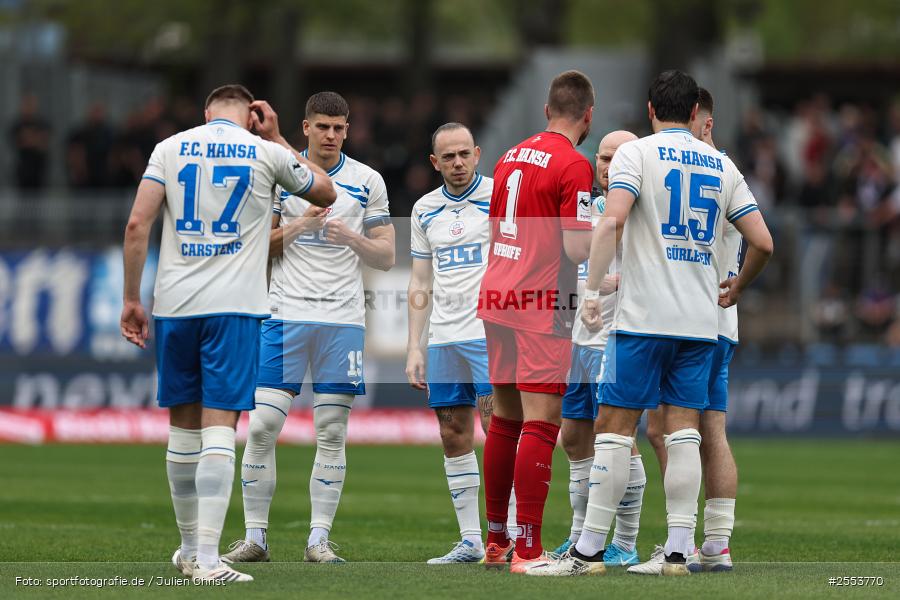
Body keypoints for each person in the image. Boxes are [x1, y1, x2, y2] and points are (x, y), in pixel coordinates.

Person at [532, 70, 772, 577]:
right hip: (701, 323)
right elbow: (765, 242)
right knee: (685, 432)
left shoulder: (636, 154)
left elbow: (613, 220)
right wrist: (738, 286)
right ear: (694, 114)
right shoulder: (724, 166)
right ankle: (681, 551)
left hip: (640, 320)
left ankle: (588, 551)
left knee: (615, 430)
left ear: (649, 111)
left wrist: (592, 291)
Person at [120, 84, 335, 583]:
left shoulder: (169, 148)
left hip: (174, 305)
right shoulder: (264, 151)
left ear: (206, 113)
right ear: (251, 116)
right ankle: (210, 561)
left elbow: (136, 225)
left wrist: (132, 299)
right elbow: (326, 191)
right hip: (234, 308)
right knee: (220, 430)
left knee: (182, 429)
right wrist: (280, 136)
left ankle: (189, 549)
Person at [223, 91, 395, 565]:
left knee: (332, 429)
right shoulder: (281, 174)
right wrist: (297, 228)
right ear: (305, 127)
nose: (332, 136)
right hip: (284, 314)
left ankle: (318, 540)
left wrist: (352, 238)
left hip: (342, 320)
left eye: (340, 128)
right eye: (323, 127)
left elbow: (386, 256)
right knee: (262, 426)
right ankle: (255, 537)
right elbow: (255, 246)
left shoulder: (367, 181)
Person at [476, 70, 595, 574]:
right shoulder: (574, 164)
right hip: (542, 301)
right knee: (542, 423)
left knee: (505, 419)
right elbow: (577, 248)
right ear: (588, 115)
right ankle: (528, 550)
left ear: (547, 111)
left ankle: (497, 540)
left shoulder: (509, 156)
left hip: (498, 290)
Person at [629, 87, 743, 575]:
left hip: (692, 317)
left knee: (669, 429)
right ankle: (713, 544)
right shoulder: (726, 173)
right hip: (718, 320)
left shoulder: (703, 167)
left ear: (704, 121)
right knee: (705, 429)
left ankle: (683, 541)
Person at [407, 122, 516, 564]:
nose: (457, 163)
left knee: (499, 431)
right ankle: (472, 540)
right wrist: (415, 345)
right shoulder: (423, 210)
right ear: (435, 162)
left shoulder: (500, 197)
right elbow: (420, 279)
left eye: (464, 154)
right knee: (453, 433)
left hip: (491, 334)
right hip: (445, 339)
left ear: (478, 153)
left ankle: (507, 536)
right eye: (447, 157)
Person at [552, 130, 647, 569]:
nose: (608, 166)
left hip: (619, 336)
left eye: (618, 158)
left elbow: (660, 270)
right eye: (603, 157)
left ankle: (625, 542)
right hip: (579, 340)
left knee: (619, 438)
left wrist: (619, 283)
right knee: (573, 439)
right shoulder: (583, 209)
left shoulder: (642, 210)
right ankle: (577, 536)